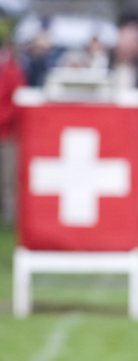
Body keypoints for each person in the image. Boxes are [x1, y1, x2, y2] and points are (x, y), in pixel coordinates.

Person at [0, 21, 25, 229]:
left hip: (7, 133)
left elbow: (17, 102)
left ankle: (11, 217)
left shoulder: (12, 72)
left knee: (9, 178)